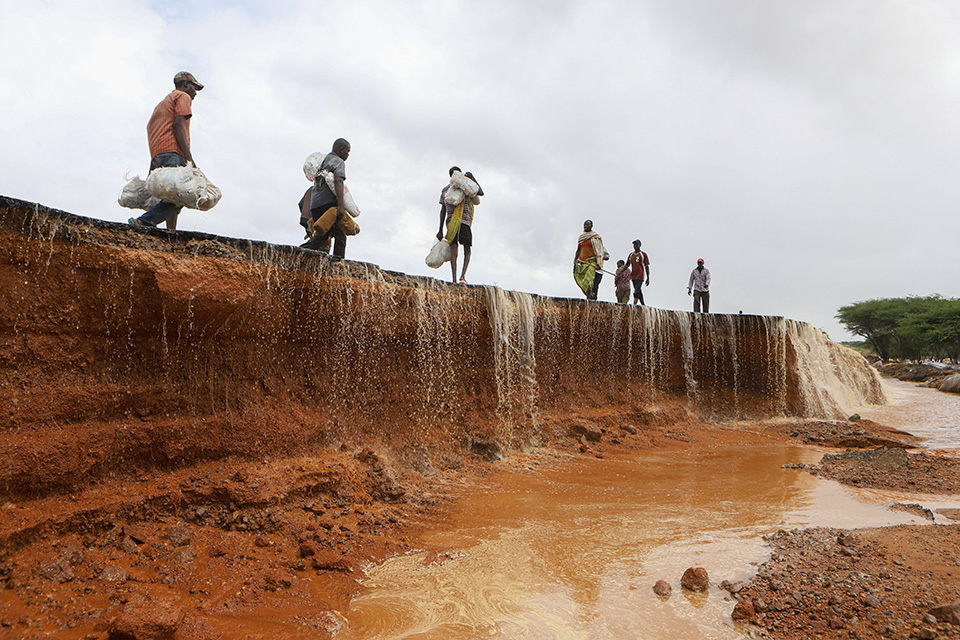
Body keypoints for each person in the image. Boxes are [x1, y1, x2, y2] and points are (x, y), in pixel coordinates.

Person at [130, 71, 204, 229]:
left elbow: (152, 130)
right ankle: (144, 221)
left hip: (158, 155)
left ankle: (171, 232)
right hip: (173, 152)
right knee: (181, 194)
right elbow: (178, 125)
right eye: (194, 88)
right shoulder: (182, 96)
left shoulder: (162, 104)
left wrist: (153, 163)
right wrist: (189, 158)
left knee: (169, 196)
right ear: (185, 85)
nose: (195, 93)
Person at [302, 138, 351, 259]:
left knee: (322, 236)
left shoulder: (324, 161)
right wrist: (340, 206)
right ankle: (338, 266)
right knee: (341, 235)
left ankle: (299, 253)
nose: (348, 155)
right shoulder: (338, 162)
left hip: (315, 205)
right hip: (328, 206)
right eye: (347, 151)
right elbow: (338, 181)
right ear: (341, 150)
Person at [437, 167, 483, 284]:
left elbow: (442, 211)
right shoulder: (463, 189)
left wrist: (440, 230)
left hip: (453, 223)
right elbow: (442, 210)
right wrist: (473, 179)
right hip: (461, 222)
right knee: (466, 250)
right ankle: (461, 277)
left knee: (455, 251)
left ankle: (456, 279)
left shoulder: (462, 188)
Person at [573, 219, 608, 300]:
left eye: (587, 224)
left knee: (590, 281)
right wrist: (575, 259)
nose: (585, 226)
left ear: (591, 226)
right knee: (584, 280)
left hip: (592, 263)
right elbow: (578, 250)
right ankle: (589, 297)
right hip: (583, 262)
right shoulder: (581, 237)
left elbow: (599, 250)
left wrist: (599, 262)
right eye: (584, 224)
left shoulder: (595, 237)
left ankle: (591, 298)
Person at [627, 239, 651, 306]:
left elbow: (646, 266)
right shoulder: (631, 255)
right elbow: (627, 265)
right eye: (634, 245)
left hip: (640, 275)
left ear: (639, 245)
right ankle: (643, 305)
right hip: (633, 276)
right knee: (638, 290)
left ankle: (634, 304)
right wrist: (621, 272)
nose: (635, 246)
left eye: (636, 244)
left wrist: (648, 278)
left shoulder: (643, 254)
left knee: (637, 289)